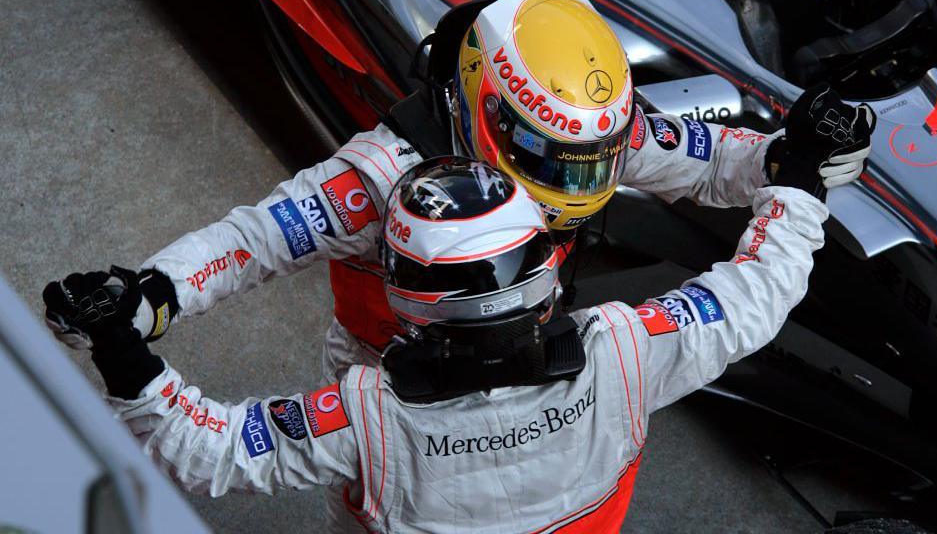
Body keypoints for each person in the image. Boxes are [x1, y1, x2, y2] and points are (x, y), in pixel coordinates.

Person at [43, 0, 874, 385]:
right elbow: (257, 238)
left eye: (592, 160)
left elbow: (706, 157)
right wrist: (150, 293)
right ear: (485, 107)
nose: (579, 182)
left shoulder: (576, 136)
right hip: (392, 387)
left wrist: (788, 156)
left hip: (530, 375)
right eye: (555, 162)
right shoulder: (379, 175)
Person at [46, 154, 833, 533]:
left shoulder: (365, 418)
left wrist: (125, 350)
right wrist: (794, 186)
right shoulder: (633, 351)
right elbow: (755, 295)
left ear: (406, 293)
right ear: (544, 263)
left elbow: (208, 450)